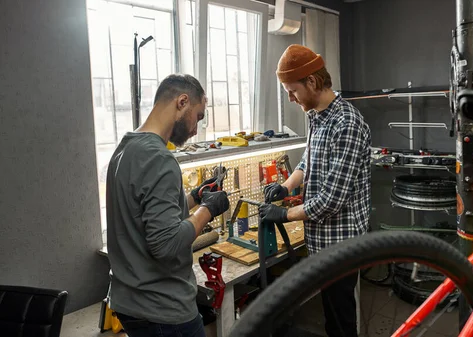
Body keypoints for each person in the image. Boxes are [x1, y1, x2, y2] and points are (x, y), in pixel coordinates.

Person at [259, 44, 372, 337]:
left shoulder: (346, 123)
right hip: (321, 242)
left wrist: (284, 215)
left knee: (341, 322)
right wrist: (284, 187)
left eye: (291, 90)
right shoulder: (316, 117)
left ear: (312, 81)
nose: (289, 97)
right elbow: (308, 163)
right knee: (331, 316)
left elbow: (331, 201)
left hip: (341, 245)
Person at [105, 74, 230, 337]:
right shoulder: (159, 159)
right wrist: (207, 210)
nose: (197, 128)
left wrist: (195, 197)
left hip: (130, 303)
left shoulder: (125, 149)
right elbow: (166, 243)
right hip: (163, 309)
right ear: (182, 102)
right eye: (198, 116)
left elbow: (143, 214)